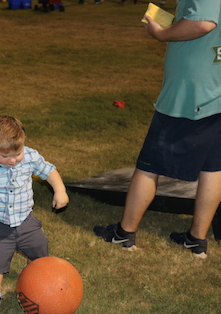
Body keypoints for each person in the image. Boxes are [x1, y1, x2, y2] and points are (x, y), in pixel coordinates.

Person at [94, 0, 221, 259]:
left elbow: (203, 22)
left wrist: (161, 33)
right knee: (213, 166)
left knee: (149, 165)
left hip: (192, 91)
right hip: (215, 85)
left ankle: (124, 234)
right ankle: (196, 240)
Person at [0, 115, 69, 311]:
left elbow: (49, 171)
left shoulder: (31, 157)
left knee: (40, 249)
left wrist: (60, 190)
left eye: (17, 154)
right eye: (5, 156)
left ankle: (35, 273)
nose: (12, 160)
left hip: (26, 221)